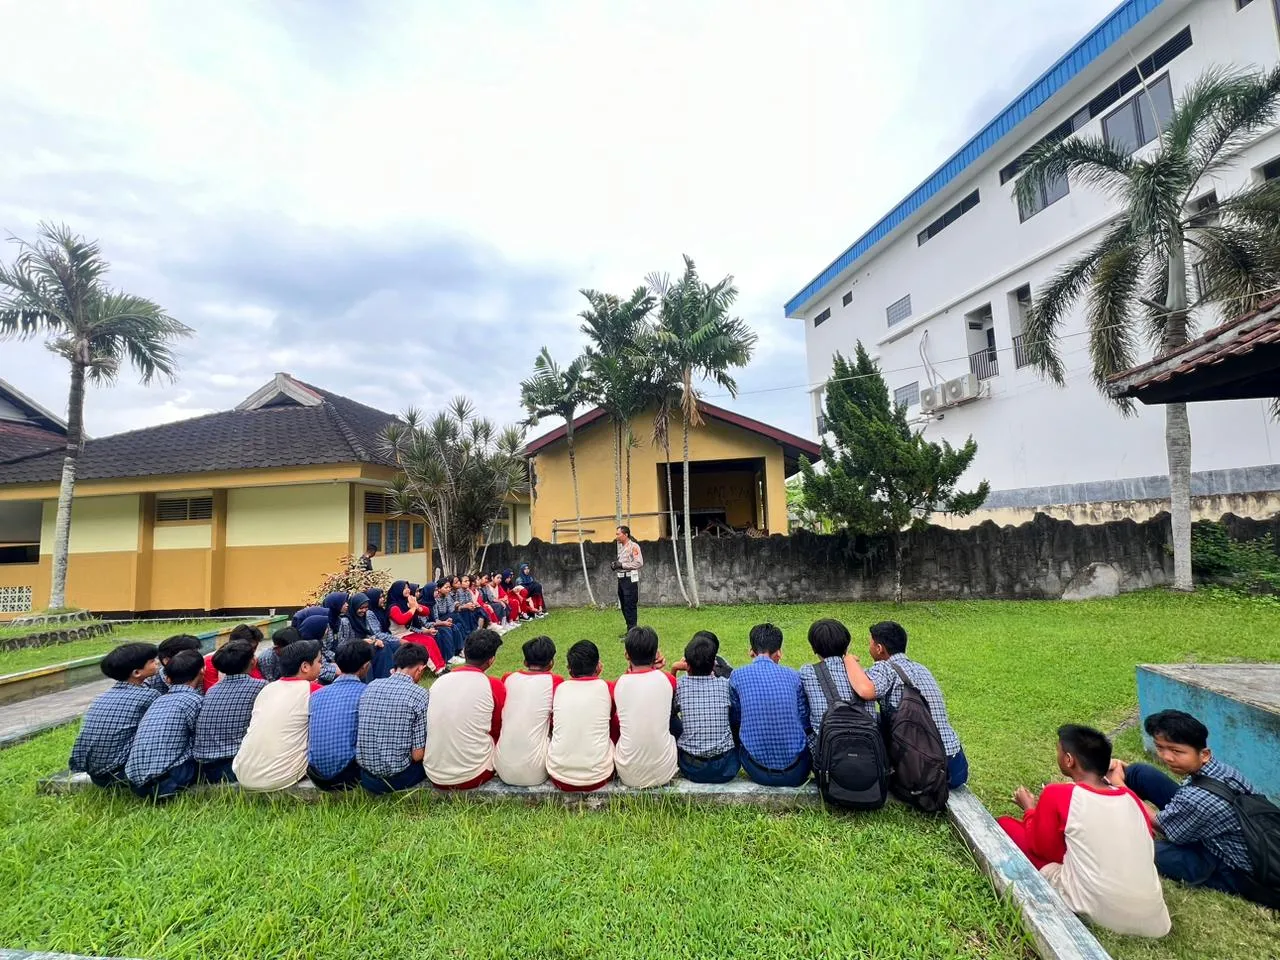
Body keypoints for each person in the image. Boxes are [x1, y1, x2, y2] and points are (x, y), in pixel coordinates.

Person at [998, 724, 1170, 938]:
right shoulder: (1130, 797)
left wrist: (1029, 810)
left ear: (1069, 760)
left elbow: (1041, 849)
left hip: (1098, 908)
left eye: (1058, 751)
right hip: (1155, 919)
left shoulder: (1057, 793)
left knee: (1005, 824)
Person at [1109, 709, 1265, 901]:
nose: (1167, 757)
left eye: (1176, 751)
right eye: (1160, 747)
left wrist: (1120, 786)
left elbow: (1163, 826)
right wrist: (1124, 771)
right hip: (1232, 833)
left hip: (1231, 867)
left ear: (1204, 754)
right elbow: (1190, 799)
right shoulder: (1222, 770)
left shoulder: (1197, 799)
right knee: (1139, 772)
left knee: (1139, 848)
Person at [842, 621, 968, 789]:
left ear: (879, 648)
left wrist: (849, 660)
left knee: (871, 722)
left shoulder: (885, 668)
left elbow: (865, 690)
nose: (869, 647)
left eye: (870, 643)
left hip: (927, 770)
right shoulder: (921, 668)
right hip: (956, 766)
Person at [232, 639, 324, 792]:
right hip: (282, 776)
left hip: (243, 773)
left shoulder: (267, 689)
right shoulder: (314, 690)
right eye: (319, 662)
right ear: (305, 667)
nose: (321, 666)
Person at [69, 642, 161, 787]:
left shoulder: (101, 697)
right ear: (137, 673)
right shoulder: (149, 696)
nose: (157, 662)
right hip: (123, 774)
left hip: (96, 775)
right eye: (151, 661)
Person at [729, 624, 811, 787]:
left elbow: (736, 719)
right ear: (778, 653)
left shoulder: (737, 675)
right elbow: (804, 719)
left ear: (751, 651)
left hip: (756, 770)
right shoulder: (794, 676)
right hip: (797, 771)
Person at [425, 628, 506, 789]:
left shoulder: (439, 682)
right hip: (472, 774)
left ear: (465, 651)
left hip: (433, 771)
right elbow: (499, 729)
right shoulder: (493, 685)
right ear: (491, 660)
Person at [125, 648, 205, 801]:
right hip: (169, 780)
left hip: (135, 783)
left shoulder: (157, 701)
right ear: (202, 671)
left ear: (168, 679)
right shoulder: (195, 701)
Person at [357, 642, 433, 794]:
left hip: (366, 776)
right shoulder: (420, 695)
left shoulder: (371, 686)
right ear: (420, 669)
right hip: (399, 778)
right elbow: (417, 755)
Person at [613, 626, 679, 789]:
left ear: (626, 655)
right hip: (664, 771)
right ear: (656, 654)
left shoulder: (619, 684)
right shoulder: (668, 680)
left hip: (627, 773)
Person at [547, 640, 617, 792]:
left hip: (559, 775)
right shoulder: (607, 688)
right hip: (599, 776)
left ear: (569, 669)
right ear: (598, 666)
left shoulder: (560, 689)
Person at [193, 639, 266, 783]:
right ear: (252, 662)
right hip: (236, 764)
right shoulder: (260, 686)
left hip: (206, 767)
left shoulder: (212, 690)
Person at [494, 636, 562, 786]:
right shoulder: (555, 682)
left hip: (501, 766)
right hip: (536, 770)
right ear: (551, 662)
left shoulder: (508, 678)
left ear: (525, 662)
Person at [798, 619, 872, 756]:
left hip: (826, 755)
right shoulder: (865, 676)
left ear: (813, 648)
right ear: (846, 647)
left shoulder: (807, 672)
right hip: (866, 753)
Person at [674, 633, 740, 783]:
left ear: (687, 665)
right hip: (725, 768)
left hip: (690, 767)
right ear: (714, 665)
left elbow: (668, 713)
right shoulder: (725, 685)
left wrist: (674, 670)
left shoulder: (680, 685)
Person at [307, 641, 373, 790]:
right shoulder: (367, 693)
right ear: (365, 666)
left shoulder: (316, 695)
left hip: (316, 775)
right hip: (348, 776)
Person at [386, 580, 448, 673]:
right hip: (398, 635)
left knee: (430, 639)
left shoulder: (407, 602)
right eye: (404, 588)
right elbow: (401, 620)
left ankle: (442, 666)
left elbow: (426, 612)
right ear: (398, 590)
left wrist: (417, 606)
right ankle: (438, 669)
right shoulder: (393, 607)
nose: (408, 590)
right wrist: (413, 608)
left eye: (408, 587)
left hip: (408, 633)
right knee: (424, 643)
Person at [345, 591, 399, 682]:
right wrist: (362, 641)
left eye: (366, 607)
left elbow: (370, 633)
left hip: (366, 645)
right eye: (361, 608)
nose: (364, 610)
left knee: (384, 646)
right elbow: (345, 642)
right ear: (354, 607)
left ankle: (386, 680)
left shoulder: (365, 617)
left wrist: (375, 640)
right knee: (366, 659)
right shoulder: (346, 621)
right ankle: (371, 684)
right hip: (353, 650)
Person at [203, 624, 263, 691]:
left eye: (255, 648)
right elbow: (215, 692)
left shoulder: (253, 661)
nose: (252, 652)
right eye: (248, 649)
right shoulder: (210, 662)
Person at [613, 525, 643, 633]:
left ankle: (633, 632)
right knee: (624, 605)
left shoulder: (633, 546)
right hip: (621, 579)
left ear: (625, 535)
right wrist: (616, 565)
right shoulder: (622, 548)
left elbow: (639, 563)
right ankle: (629, 629)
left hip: (629, 579)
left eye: (618, 534)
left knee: (630, 605)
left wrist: (622, 565)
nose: (616, 536)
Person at [296, 614, 339, 684]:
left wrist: (340, 659)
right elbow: (319, 670)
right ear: (317, 630)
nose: (327, 631)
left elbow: (325, 652)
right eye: (326, 628)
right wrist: (334, 670)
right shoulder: (306, 650)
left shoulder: (318, 642)